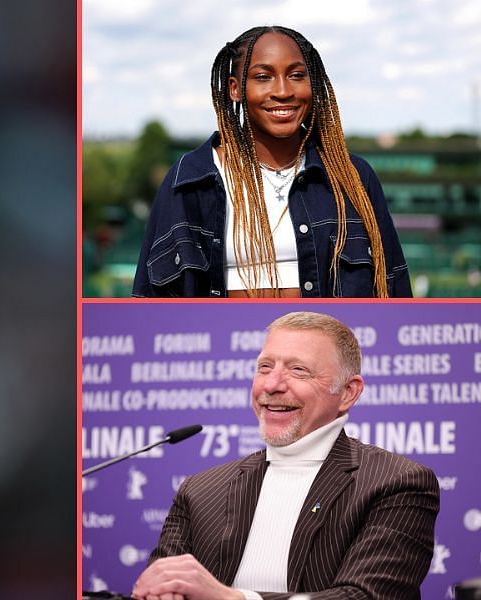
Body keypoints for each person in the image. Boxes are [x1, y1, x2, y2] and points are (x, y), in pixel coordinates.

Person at [133, 312, 438, 600]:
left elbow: (363, 596)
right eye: (264, 367)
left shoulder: (396, 482)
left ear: (348, 392)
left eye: (298, 370)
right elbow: (160, 585)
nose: (271, 385)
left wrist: (234, 598)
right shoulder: (200, 490)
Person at [131, 26, 411, 298]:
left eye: (297, 75)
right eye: (263, 77)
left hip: (325, 343)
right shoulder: (190, 180)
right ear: (235, 89)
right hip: (221, 342)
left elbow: (394, 285)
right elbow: (150, 299)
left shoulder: (351, 178)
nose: (283, 91)